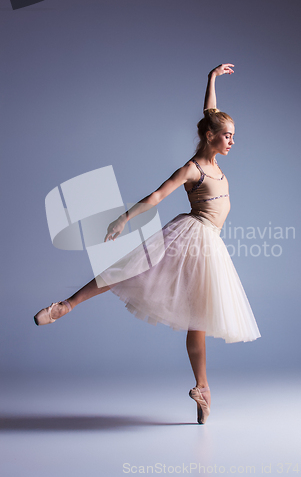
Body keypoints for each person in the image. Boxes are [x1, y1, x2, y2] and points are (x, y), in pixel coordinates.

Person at [34, 63, 261, 424]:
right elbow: (157, 196)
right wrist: (123, 218)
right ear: (209, 137)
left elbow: (209, 113)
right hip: (193, 235)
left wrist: (211, 79)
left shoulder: (214, 155)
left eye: (233, 135)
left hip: (211, 245)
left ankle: (202, 390)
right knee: (130, 269)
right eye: (228, 135)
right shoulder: (194, 169)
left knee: (197, 320)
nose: (233, 140)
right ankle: (67, 304)